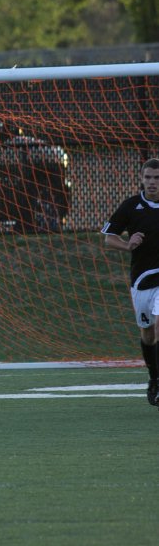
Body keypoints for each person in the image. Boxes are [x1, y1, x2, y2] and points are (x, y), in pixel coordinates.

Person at [102, 158, 159, 408]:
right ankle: (154, 378)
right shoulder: (131, 206)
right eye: (148, 177)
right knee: (147, 333)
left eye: (157, 178)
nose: (152, 183)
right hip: (142, 279)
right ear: (142, 178)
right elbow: (108, 238)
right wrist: (127, 244)